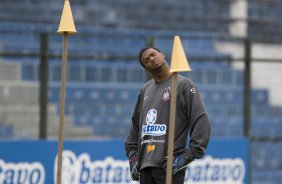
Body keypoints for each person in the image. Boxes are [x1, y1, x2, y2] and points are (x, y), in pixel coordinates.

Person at [125, 47, 211, 184]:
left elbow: (201, 120)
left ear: (162, 55)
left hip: (169, 166)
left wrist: (189, 155)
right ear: (146, 69)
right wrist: (133, 157)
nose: (152, 59)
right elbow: (134, 129)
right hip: (145, 168)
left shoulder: (184, 85)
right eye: (146, 60)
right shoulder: (145, 90)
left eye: (153, 54)